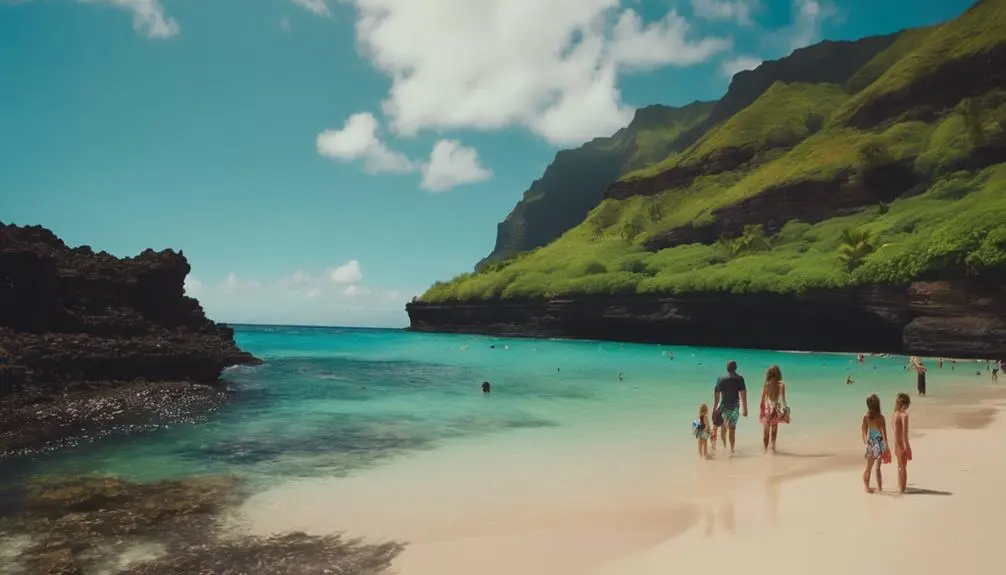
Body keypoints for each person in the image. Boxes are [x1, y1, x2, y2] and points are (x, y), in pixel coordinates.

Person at [713, 360, 748, 455]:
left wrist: (714, 409)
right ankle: (732, 450)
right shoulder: (740, 379)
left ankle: (724, 447)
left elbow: (717, 397)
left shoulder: (720, 379)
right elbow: (743, 396)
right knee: (732, 430)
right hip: (735, 409)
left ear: (727, 368)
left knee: (723, 428)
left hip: (724, 407)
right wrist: (745, 409)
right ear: (735, 368)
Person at [861, 394, 891, 493]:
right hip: (879, 442)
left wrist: (866, 443)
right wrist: (886, 446)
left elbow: (864, 432)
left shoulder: (866, 417)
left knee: (868, 467)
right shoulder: (881, 417)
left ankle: (867, 487)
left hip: (871, 442)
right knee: (877, 467)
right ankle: (879, 488)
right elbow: (884, 433)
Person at [759, 365, 789, 454]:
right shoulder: (781, 385)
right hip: (776, 408)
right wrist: (786, 409)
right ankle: (773, 447)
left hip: (768, 409)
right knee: (774, 429)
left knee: (766, 430)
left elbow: (762, 398)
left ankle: (765, 450)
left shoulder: (766, 384)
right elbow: (783, 399)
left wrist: (761, 410)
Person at [893, 392, 913, 494]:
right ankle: (903, 489)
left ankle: (899, 486)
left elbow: (895, 432)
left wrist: (896, 446)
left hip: (896, 445)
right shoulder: (904, 415)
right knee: (903, 467)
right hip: (902, 445)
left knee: (899, 466)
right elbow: (904, 435)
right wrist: (908, 447)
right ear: (905, 404)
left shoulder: (895, 414)